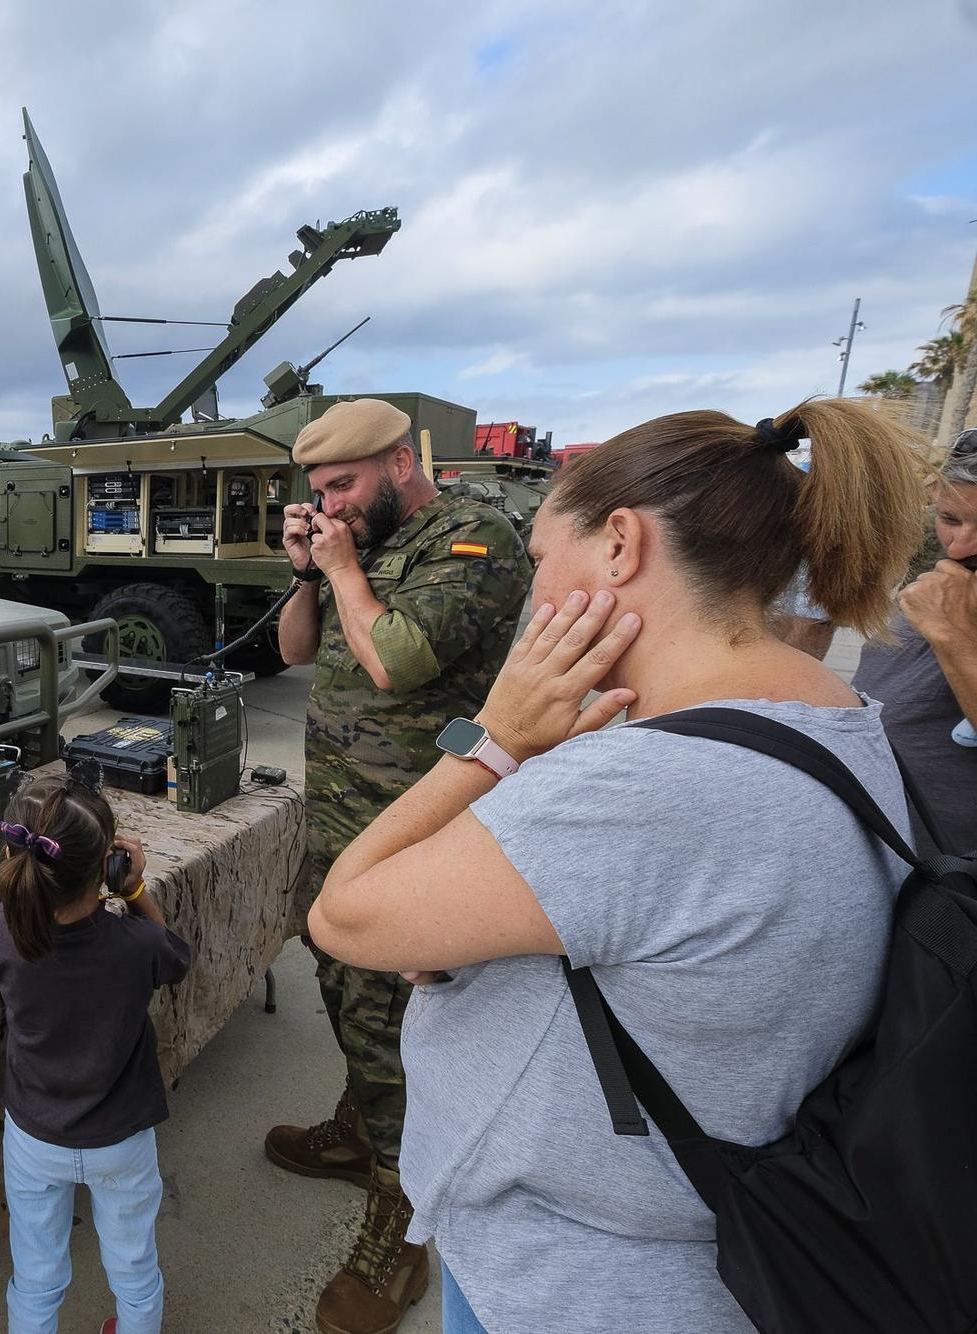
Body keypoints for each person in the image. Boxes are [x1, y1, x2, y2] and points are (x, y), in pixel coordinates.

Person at [306, 399, 925, 1332]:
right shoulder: (834, 714)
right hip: (688, 1242)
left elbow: (346, 914)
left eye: (549, 557)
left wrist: (496, 739)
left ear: (621, 547)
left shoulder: (646, 787)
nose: (537, 588)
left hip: (567, 1275)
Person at [269, 398, 530, 1334]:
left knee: (395, 1014)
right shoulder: (357, 543)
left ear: (399, 464)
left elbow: (402, 661)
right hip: (343, 822)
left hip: (419, 834)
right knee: (343, 983)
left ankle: (402, 1218)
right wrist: (307, 573)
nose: (330, 504)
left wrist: (340, 563)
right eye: (318, 493)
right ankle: (363, 1126)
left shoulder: (473, 535)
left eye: (343, 485)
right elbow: (297, 650)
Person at [0, 774, 190, 1334]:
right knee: (134, 1267)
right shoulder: (137, 945)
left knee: (35, 1274)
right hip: (119, 1139)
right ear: (107, 867)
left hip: (35, 1135)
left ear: (11, 857)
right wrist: (135, 890)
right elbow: (173, 955)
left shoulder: (1, 932)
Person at [853, 427, 977, 849]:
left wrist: (951, 634)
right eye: (950, 519)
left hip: (951, 884)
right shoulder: (934, 580)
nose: (959, 547)